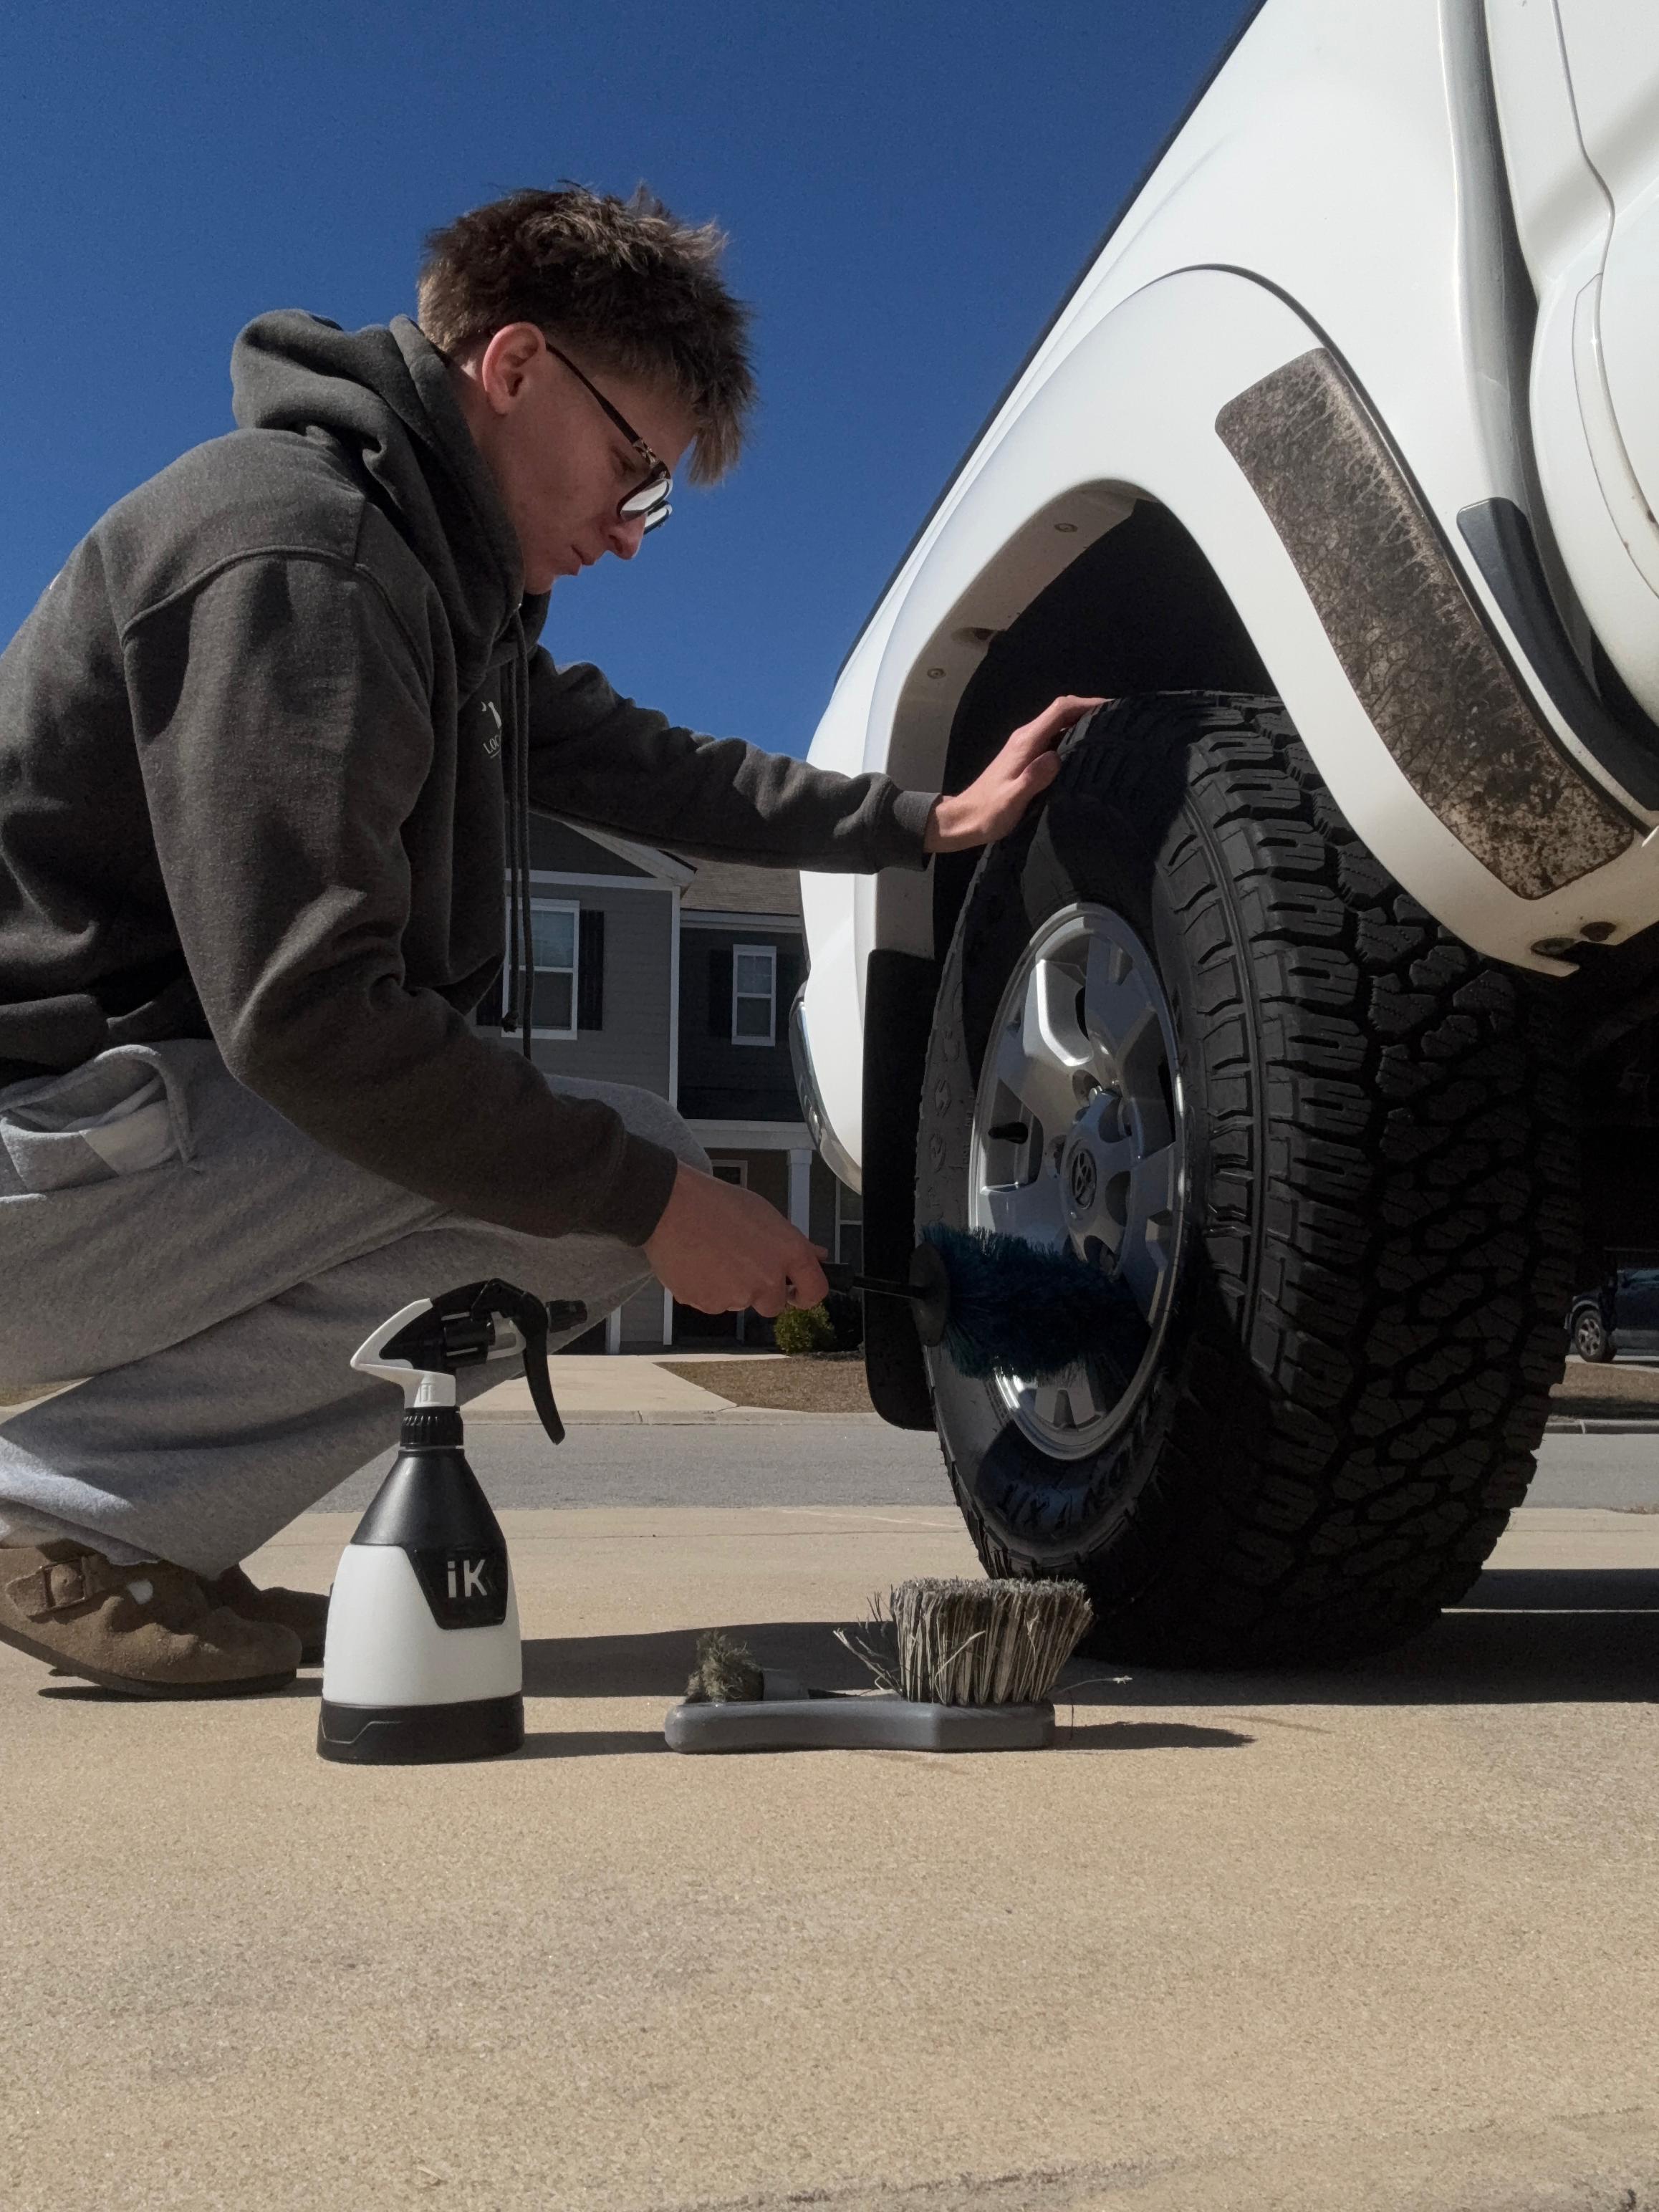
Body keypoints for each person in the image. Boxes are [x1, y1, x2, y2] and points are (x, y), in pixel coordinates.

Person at [0, 184, 1100, 1698]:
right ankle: (59, 1517)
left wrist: (927, 820)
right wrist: (650, 1196)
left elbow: (669, 773)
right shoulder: (302, 561)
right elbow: (310, 1015)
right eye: (631, 473)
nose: (632, 535)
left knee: (595, 1167)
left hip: (93, 1164)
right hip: (38, 1163)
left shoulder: (448, 608)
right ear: (513, 370)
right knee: (600, 1180)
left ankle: (109, 1517)